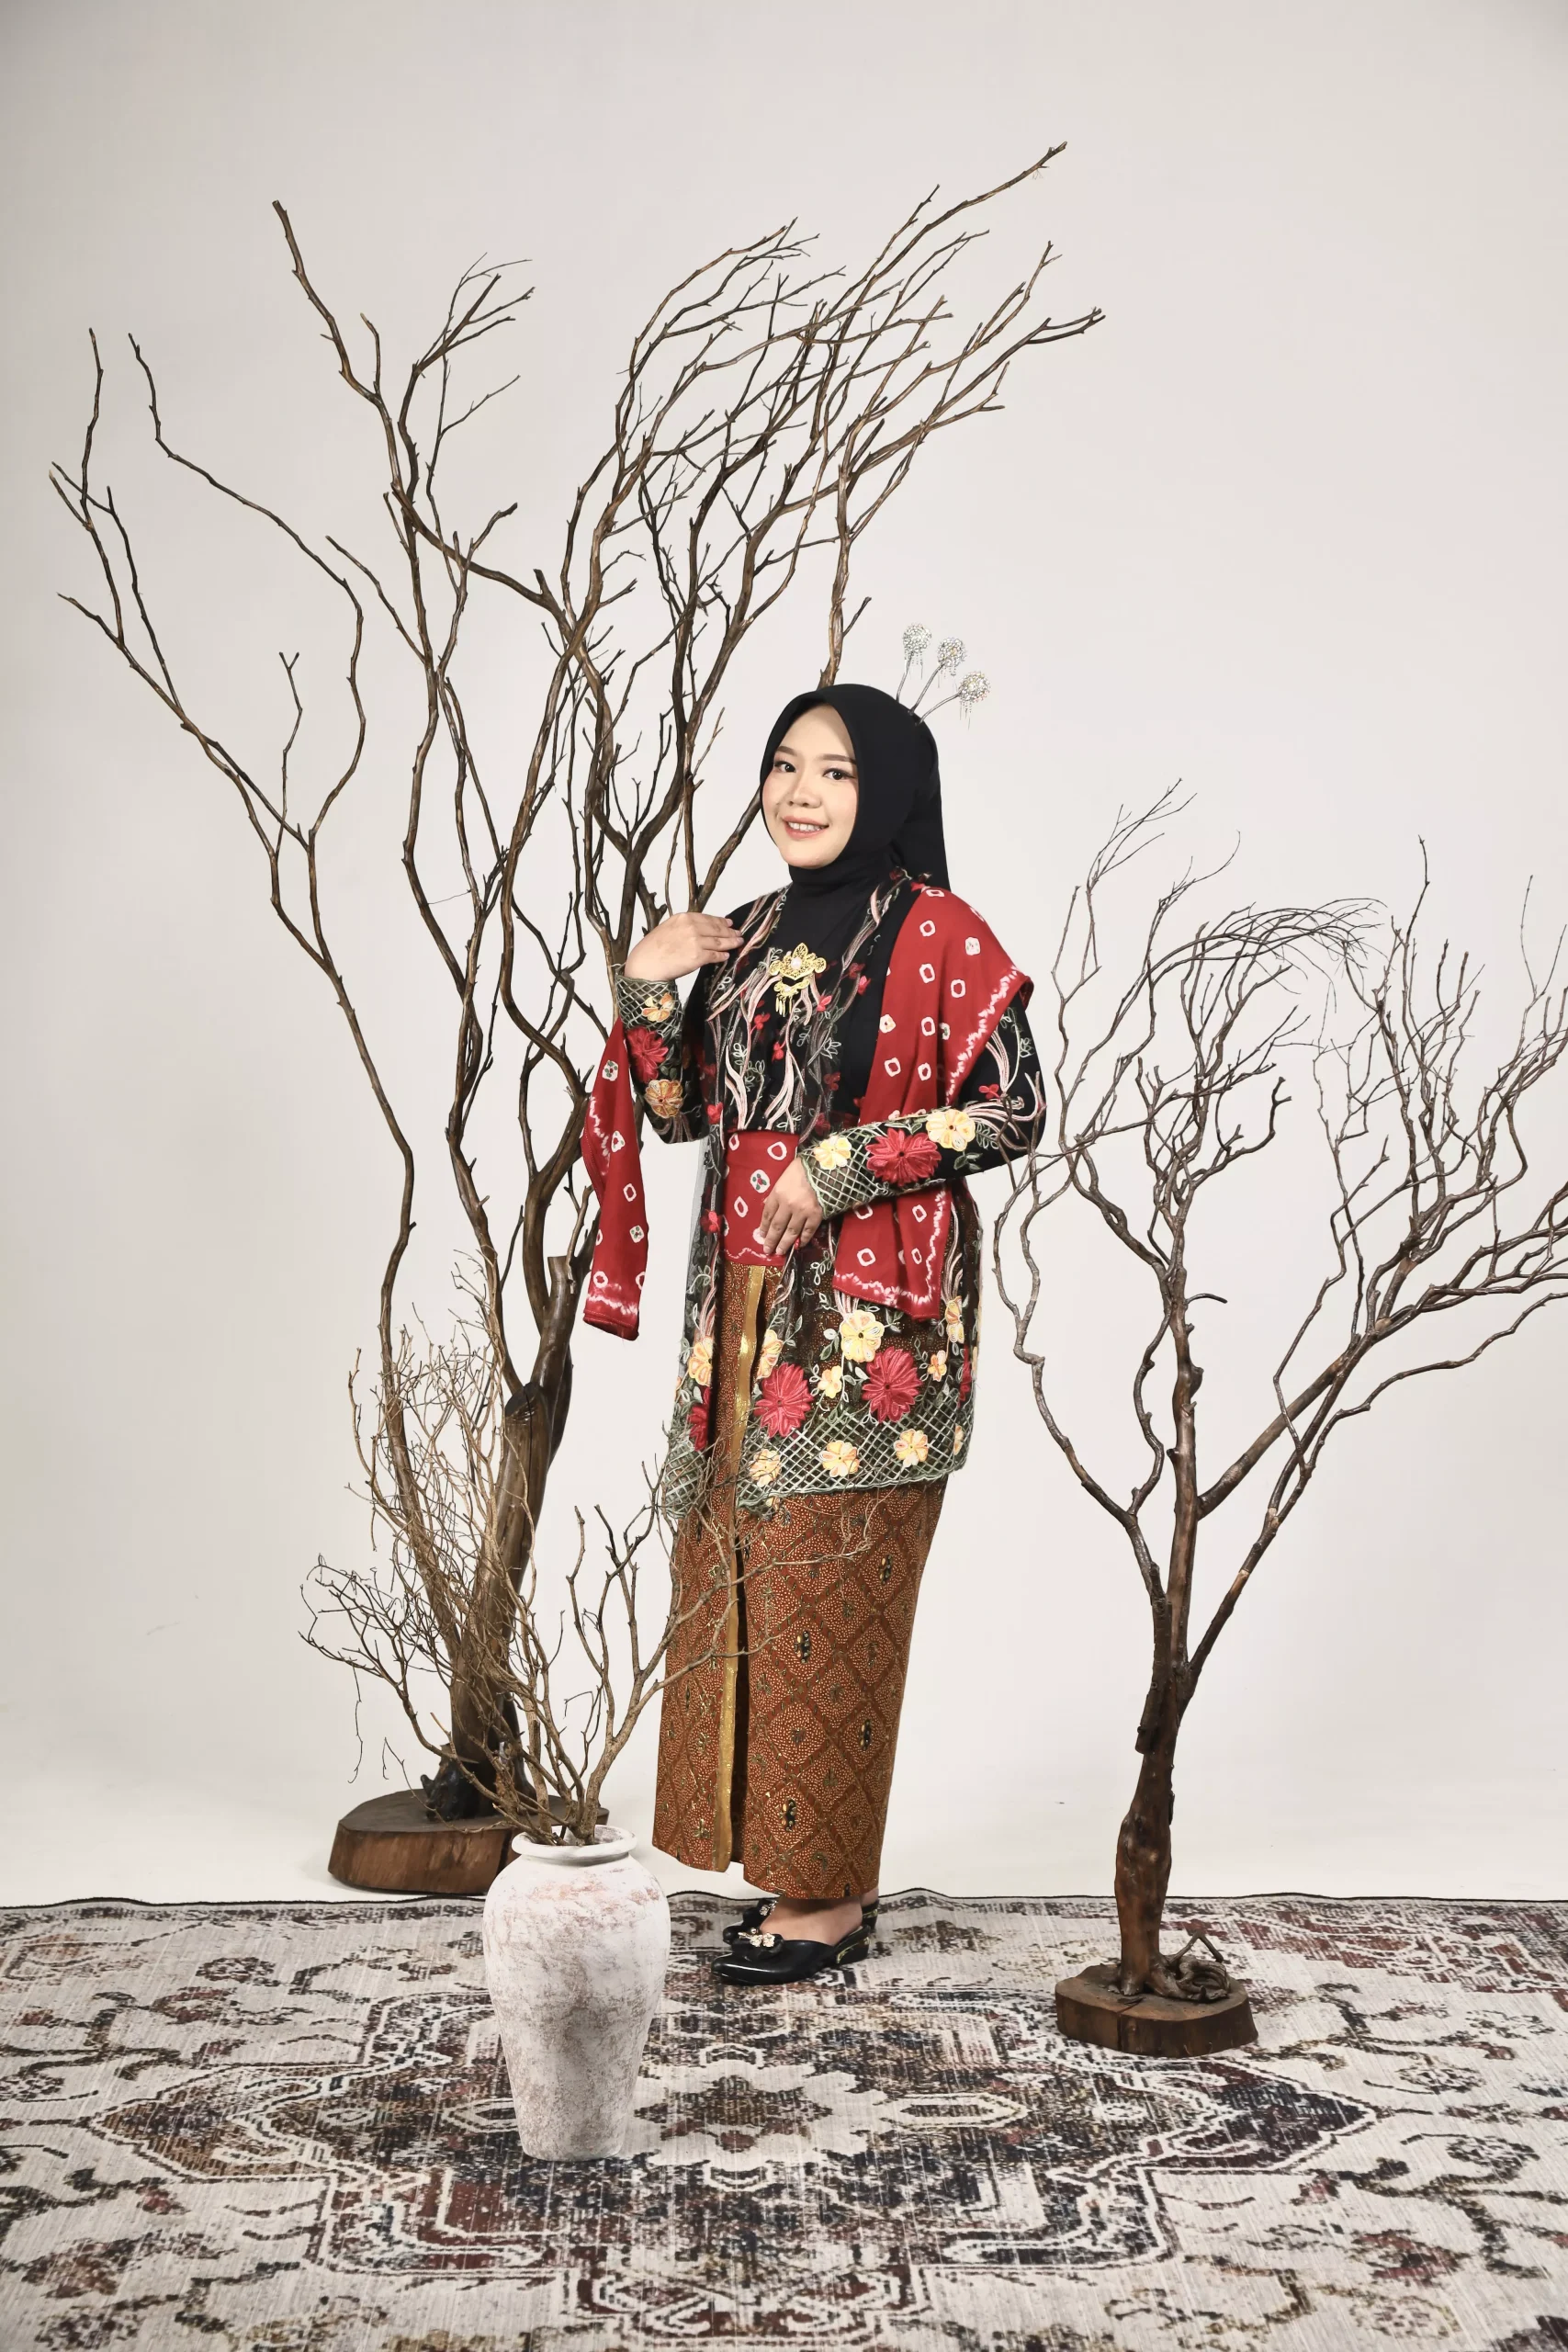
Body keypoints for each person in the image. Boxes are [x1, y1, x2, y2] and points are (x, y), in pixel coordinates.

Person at [583, 684, 1044, 1984]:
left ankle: (828, 1897)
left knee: (832, 1587)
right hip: (736, 1313)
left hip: (865, 1334)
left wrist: (837, 1166)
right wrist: (648, 986)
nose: (799, 792)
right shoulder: (753, 930)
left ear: (886, 790)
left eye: (834, 772)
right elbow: (682, 1113)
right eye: (784, 765)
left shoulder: (940, 932)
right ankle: (788, 1868)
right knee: (743, 1581)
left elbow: (1013, 1108)